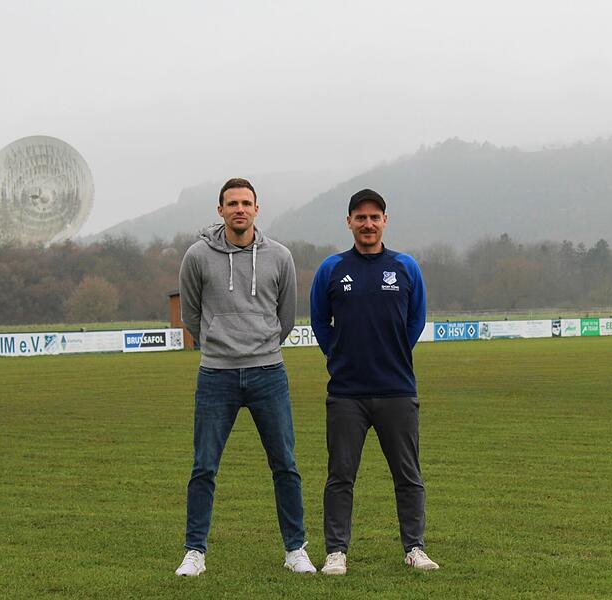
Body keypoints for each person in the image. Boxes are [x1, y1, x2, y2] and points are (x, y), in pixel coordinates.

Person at [174, 177, 316, 577]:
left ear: (257, 209)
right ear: (220, 210)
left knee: (285, 464)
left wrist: (262, 345)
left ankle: (295, 549)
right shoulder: (197, 256)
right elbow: (191, 314)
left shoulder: (281, 257)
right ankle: (195, 552)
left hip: (268, 372)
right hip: (215, 375)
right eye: (232, 203)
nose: (240, 209)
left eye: (246, 203)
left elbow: (285, 317)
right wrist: (216, 344)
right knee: (204, 466)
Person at [309, 188, 439, 575]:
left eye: (374, 217)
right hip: (346, 393)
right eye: (360, 217)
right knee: (340, 476)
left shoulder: (405, 267)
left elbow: (415, 320)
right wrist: (340, 355)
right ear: (348, 221)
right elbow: (319, 321)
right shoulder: (331, 269)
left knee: (408, 475)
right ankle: (336, 552)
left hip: (397, 390)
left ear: (385, 221)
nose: (367, 223)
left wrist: (393, 351)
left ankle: (414, 547)